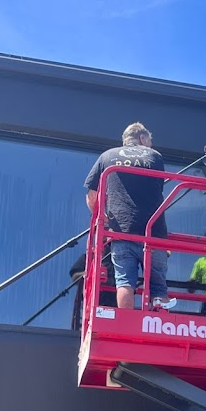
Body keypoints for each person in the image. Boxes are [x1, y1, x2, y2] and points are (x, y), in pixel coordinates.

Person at [84, 122, 175, 310]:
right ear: (142, 138)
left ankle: (125, 319)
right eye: (149, 140)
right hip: (153, 230)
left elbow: (92, 196)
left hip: (121, 230)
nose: (150, 145)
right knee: (158, 284)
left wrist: (105, 218)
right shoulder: (154, 156)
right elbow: (157, 189)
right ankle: (160, 319)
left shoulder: (107, 156)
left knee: (124, 282)